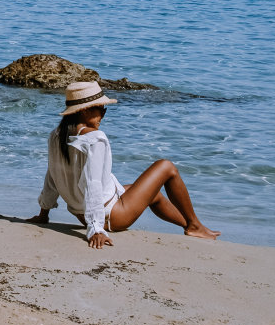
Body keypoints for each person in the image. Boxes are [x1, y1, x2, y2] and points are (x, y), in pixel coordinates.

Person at [32, 81, 219, 247]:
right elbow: (93, 184)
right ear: (85, 110)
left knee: (154, 195)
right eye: (101, 109)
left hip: (84, 215)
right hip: (111, 217)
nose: (104, 114)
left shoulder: (56, 135)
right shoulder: (95, 139)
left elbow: (53, 175)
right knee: (166, 166)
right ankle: (194, 225)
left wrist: (44, 212)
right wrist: (96, 229)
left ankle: (191, 227)